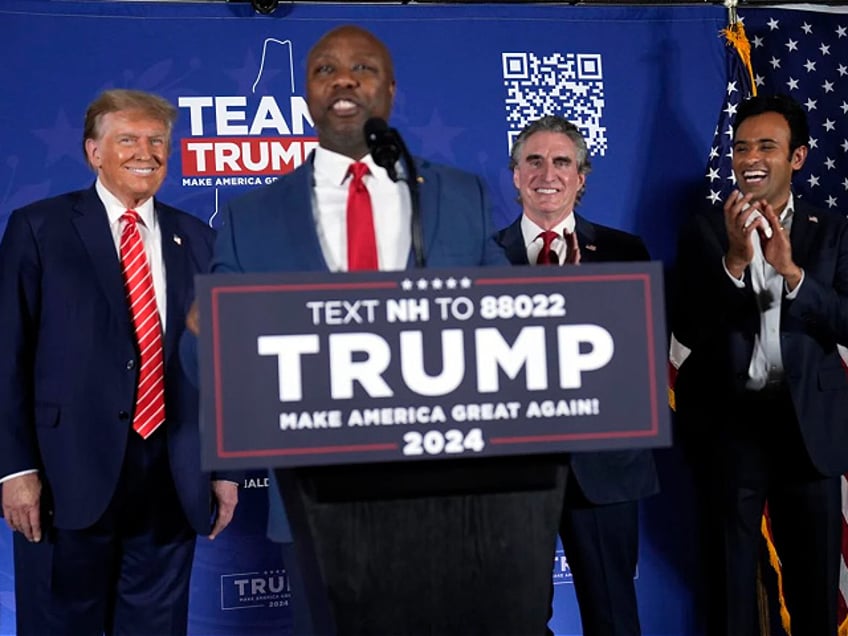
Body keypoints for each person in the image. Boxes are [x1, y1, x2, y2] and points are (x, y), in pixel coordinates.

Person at [191, 23, 567, 636]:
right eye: (324, 69)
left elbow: (515, 321)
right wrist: (205, 332)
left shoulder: (459, 197)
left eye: (362, 68)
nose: (344, 78)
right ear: (308, 97)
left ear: (390, 90)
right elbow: (203, 362)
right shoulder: (249, 218)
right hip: (317, 506)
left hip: (451, 500)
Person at [0, 89, 239, 636]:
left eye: (157, 141)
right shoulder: (39, 228)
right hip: (65, 476)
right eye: (127, 139)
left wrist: (226, 469)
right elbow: (6, 354)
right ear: (94, 152)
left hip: (172, 476)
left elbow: (224, 363)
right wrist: (14, 469)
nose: (146, 152)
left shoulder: (199, 238)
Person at [672, 94, 848, 635]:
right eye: (741, 145)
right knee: (730, 590)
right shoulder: (704, 229)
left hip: (808, 431)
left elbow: (844, 321)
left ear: (796, 157)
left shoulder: (832, 230)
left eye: (766, 146)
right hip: (731, 429)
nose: (750, 156)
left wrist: (792, 274)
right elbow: (686, 330)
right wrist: (734, 262)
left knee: (815, 589)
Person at [495, 115, 659, 636]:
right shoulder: (479, 257)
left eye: (562, 161)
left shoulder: (624, 252)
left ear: (582, 176)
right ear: (516, 175)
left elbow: (644, 359)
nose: (548, 173)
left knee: (613, 614)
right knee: (514, 617)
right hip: (513, 474)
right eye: (534, 161)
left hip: (605, 469)